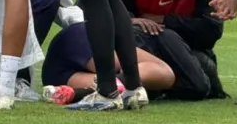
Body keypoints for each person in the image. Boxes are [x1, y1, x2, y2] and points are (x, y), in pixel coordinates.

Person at [117, 0, 228, 101]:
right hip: (138, 45)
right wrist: (130, 21)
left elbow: (212, 31)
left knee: (205, 74)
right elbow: (100, 13)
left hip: (183, 47)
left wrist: (165, 21)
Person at [40, 22, 175, 106]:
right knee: (166, 74)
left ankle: (76, 93)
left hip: (55, 74)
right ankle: (112, 85)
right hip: (82, 38)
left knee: (103, 84)